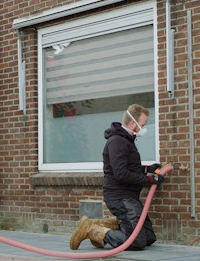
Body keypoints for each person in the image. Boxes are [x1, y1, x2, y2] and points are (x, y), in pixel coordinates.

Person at [69, 104, 163, 250]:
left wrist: (146, 169)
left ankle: (109, 224)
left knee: (149, 238)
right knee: (136, 243)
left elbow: (128, 167)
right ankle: (94, 229)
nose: (144, 128)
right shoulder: (117, 142)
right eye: (142, 124)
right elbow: (121, 174)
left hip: (130, 198)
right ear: (133, 123)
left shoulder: (126, 140)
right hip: (120, 198)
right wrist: (149, 180)